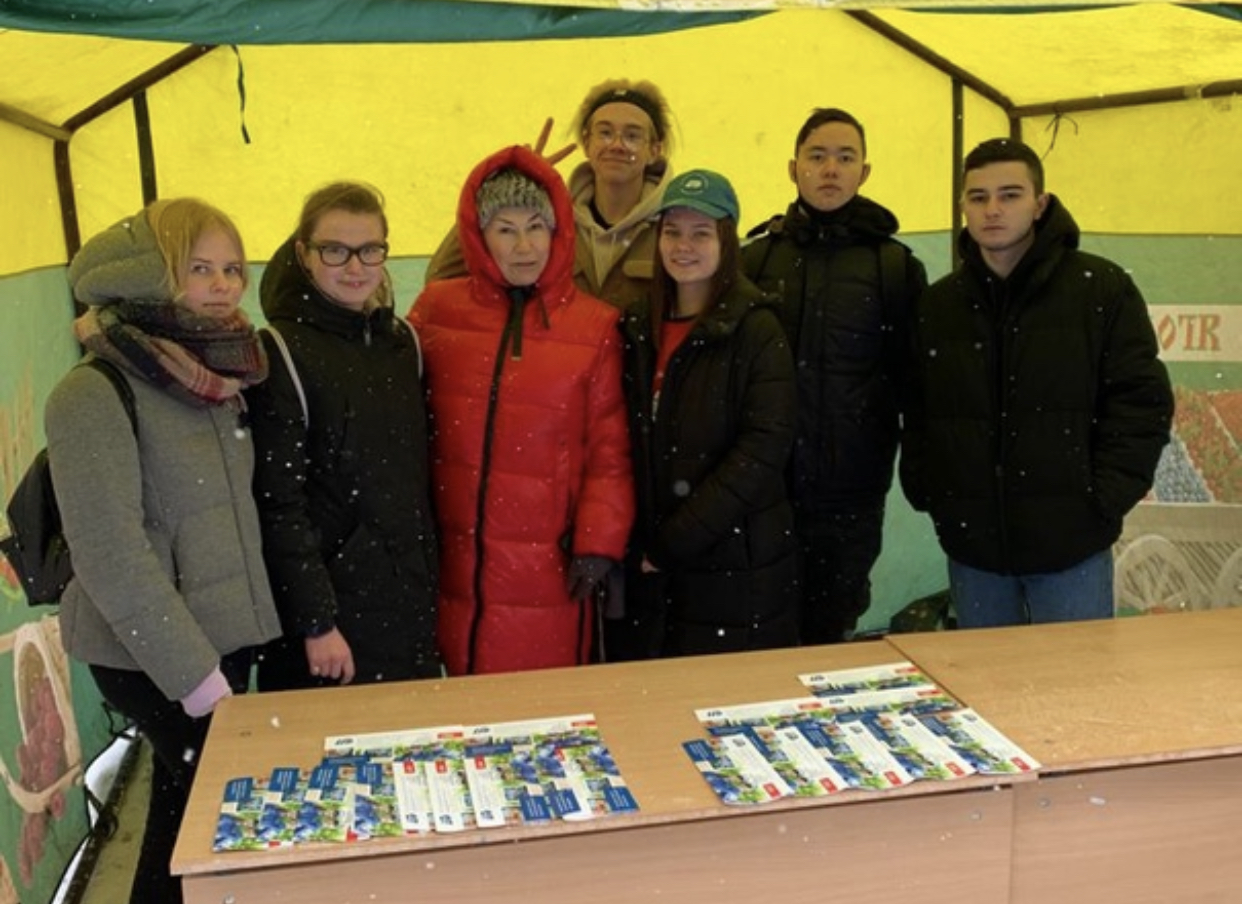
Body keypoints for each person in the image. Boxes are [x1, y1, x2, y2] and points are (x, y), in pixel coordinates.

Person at [47, 198, 280, 904]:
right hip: (152, 655)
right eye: (199, 268)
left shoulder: (214, 376)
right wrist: (194, 675)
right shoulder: (95, 390)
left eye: (232, 269)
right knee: (207, 816)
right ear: (150, 275)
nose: (223, 285)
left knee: (189, 816)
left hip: (219, 638)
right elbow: (110, 553)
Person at [899, 137, 1174, 629]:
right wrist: (931, 490)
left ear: (1039, 203)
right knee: (984, 676)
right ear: (963, 207)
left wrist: (1102, 499)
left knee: (1076, 676)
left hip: (1071, 549)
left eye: (1010, 195)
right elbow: (919, 410)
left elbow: (1141, 403)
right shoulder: (939, 306)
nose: (993, 209)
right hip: (974, 550)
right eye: (978, 197)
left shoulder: (1100, 289)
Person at [409, 145, 634, 675]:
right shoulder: (436, 311)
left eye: (536, 227)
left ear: (558, 232)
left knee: (541, 703)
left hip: (550, 564)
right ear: (478, 235)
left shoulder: (594, 326)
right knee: (456, 703)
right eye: (505, 229)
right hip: (451, 559)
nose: (525, 246)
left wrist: (598, 542)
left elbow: (610, 450)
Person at [742, 107, 928, 645]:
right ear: (792, 168)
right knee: (758, 631)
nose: (830, 169)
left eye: (845, 158)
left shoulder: (895, 268)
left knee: (829, 635)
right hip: (764, 491)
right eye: (817, 156)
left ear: (863, 172)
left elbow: (916, 385)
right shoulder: (756, 262)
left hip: (851, 495)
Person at [246, 181, 440, 689]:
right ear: (303, 255)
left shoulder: (402, 343)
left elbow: (412, 485)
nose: (355, 267)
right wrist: (316, 622)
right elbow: (278, 504)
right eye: (335, 250)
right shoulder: (281, 351)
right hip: (332, 624)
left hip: (408, 605)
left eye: (370, 249)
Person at [618, 169, 799, 658]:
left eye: (701, 233)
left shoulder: (757, 329)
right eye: (672, 231)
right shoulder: (637, 325)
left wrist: (675, 541)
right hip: (653, 567)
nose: (684, 246)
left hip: (736, 563)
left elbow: (761, 451)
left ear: (726, 241)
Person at [426, 78, 675, 311]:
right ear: (587, 143)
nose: (617, 145)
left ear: (654, 150)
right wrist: (508, 187)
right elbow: (441, 277)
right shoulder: (544, 220)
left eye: (632, 136)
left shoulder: (674, 225)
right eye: (605, 133)